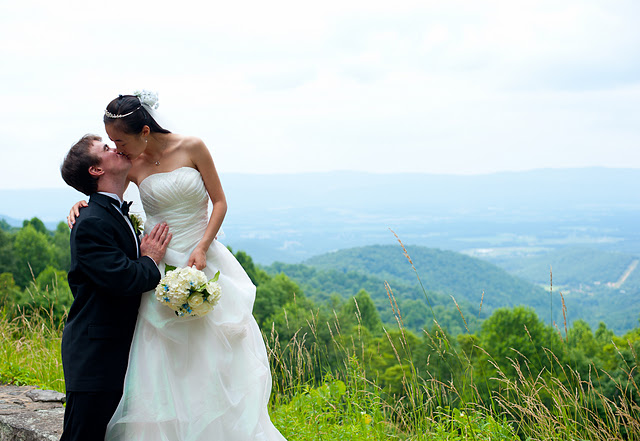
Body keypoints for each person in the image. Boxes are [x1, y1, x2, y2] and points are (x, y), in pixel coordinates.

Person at [68, 93, 287, 440]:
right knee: (161, 357)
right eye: (111, 143)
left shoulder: (193, 146)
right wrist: (81, 204)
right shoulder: (133, 164)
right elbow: (106, 198)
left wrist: (201, 247)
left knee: (214, 354)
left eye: (119, 140)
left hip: (203, 257)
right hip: (160, 266)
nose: (117, 148)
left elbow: (219, 201)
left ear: (143, 130)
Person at [59, 134, 172, 441]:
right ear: (96, 170)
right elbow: (125, 279)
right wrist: (150, 258)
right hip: (96, 356)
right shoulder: (92, 222)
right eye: (106, 149)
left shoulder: (108, 213)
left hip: (116, 352)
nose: (117, 148)